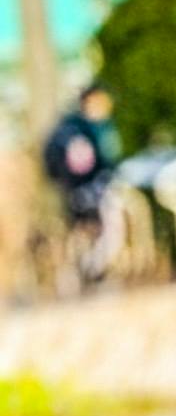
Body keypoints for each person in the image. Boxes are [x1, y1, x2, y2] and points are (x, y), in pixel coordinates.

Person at [39, 85, 119, 281]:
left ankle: (87, 270)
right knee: (104, 227)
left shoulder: (75, 128)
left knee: (86, 231)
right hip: (88, 189)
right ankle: (90, 270)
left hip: (79, 190)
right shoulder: (82, 130)